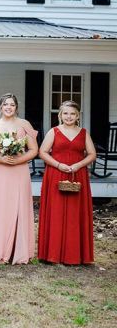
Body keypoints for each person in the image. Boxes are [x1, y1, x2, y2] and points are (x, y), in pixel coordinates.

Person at [0, 93, 38, 264]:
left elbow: (33, 149)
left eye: (12, 104)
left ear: (16, 107)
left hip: (19, 171)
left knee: (18, 207)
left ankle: (17, 251)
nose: (9, 107)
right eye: (6, 104)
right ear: (1, 107)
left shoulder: (24, 124)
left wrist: (18, 160)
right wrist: (1, 159)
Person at [38, 100, 96, 264]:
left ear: (78, 116)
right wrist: (58, 165)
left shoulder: (84, 133)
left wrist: (78, 165)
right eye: (65, 113)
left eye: (72, 114)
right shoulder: (54, 131)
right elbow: (42, 152)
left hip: (77, 175)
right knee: (55, 212)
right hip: (56, 174)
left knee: (75, 214)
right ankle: (52, 254)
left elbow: (92, 154)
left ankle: (75, 255)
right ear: (60, 115)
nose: (69, 116)